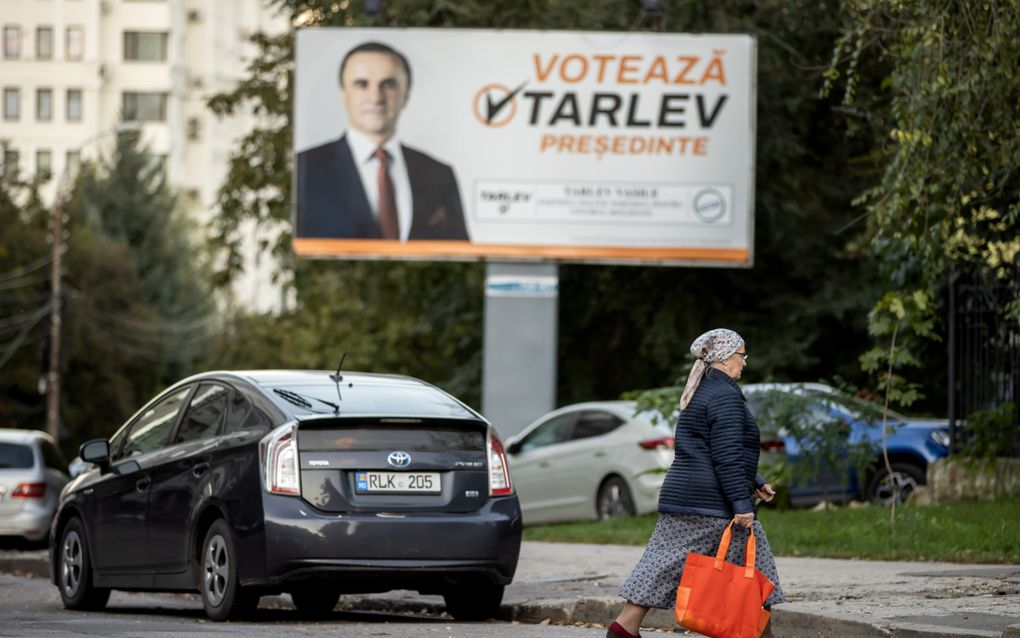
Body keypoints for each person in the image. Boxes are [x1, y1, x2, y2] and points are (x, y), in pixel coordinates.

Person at [607, 328, 785, 638]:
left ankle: (625, 626)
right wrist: (742, 505)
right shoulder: (725, 396)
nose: (744, 362)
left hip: (686, 495)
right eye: (742, 356)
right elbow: (727, 456)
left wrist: (753, 480)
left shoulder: (701, 390)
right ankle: (759, 635)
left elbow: (710, 447)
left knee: (662, 563)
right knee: (756, 573)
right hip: (711, 502)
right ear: (726, 358)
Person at [296, 41, 469, 241]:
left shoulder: (439, 174)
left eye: (389, 84)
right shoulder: (305, 168)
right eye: (361, 84)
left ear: (406, 95)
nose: (376, 97)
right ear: (344, 95)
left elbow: (460, 251)